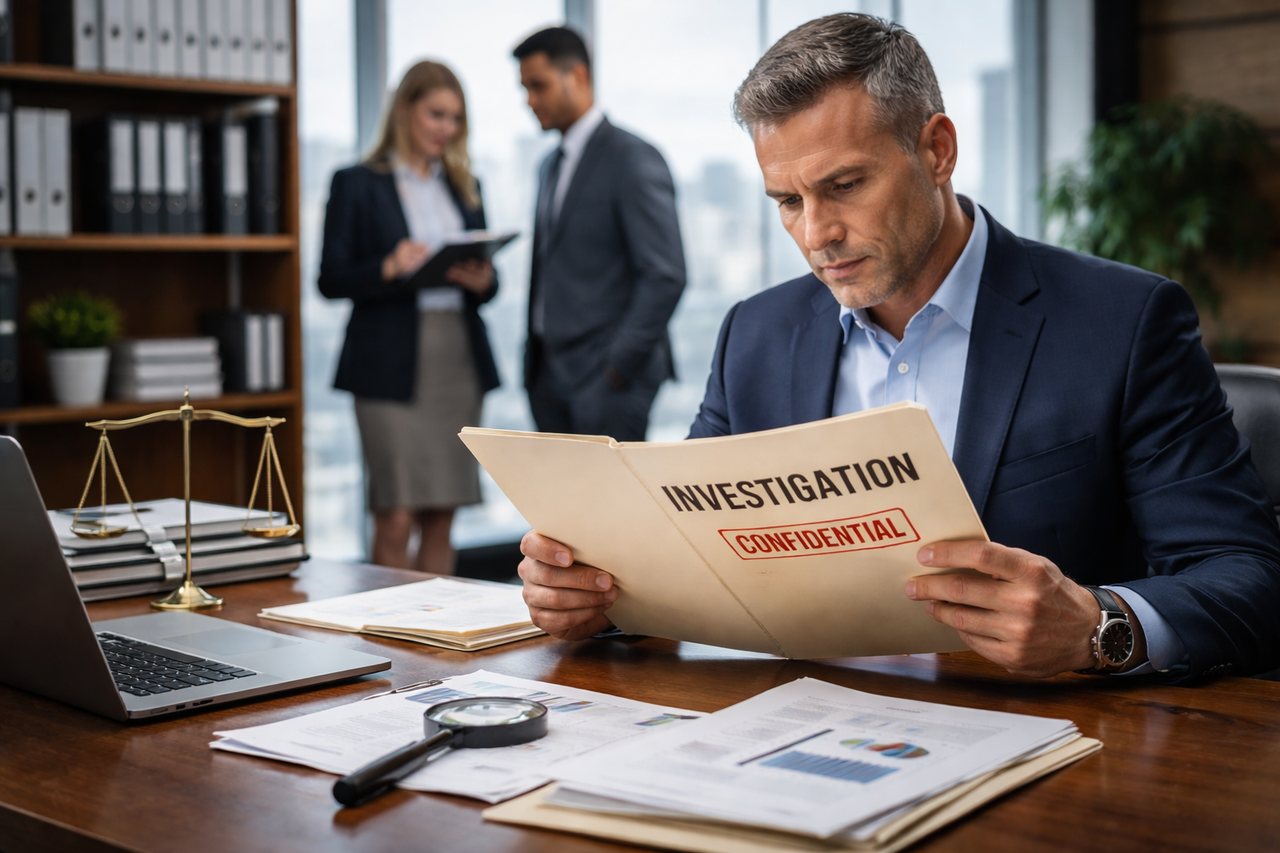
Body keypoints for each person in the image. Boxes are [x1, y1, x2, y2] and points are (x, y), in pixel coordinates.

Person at [516, 14, 1280, 682]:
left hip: (1050, 742)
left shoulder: (1124, 320)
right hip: (796, 732)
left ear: (937, 150)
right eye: (788, 200)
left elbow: (1250, 576)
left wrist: (1095, 626)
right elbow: (691, 557)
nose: (816, 235)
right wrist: (599, 597)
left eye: (844, 185)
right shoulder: (754, 333)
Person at [318, 60, 500, 575]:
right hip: (387, 359)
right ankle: (387, 640)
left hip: (455, 358)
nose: (446, 128)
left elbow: (489, 280)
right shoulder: (356, 183)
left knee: (442, 513)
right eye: (436, 114)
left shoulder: (466, 186)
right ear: (404, 110)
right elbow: (330, 279)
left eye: (456, 118)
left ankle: (435, 645)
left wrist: (482, 281)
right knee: (395, 514)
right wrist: (388, 266)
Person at [513, 27, 687, 442]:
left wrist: (616, 368)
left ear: (577, 76)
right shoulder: (549, 166)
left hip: (608, 380)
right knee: (564, 507)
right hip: (549, 375)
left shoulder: (631, 158)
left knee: (614, 508)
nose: (529, 101)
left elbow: (665, 274)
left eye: (538, 86)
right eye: (524, 89)